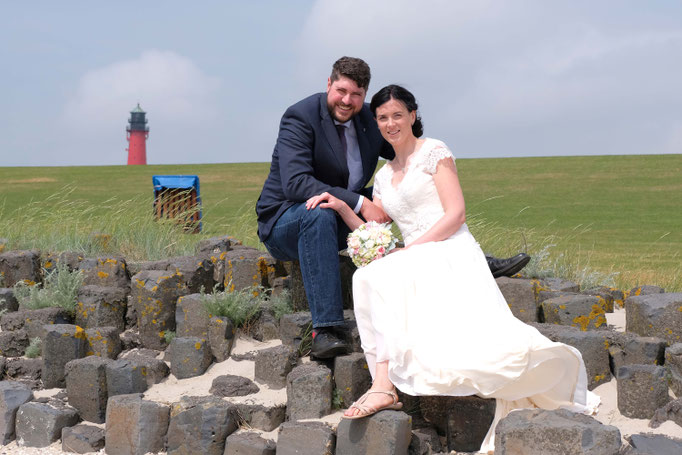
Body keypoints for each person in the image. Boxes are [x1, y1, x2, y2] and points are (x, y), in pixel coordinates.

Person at [306, 85, 599, 453]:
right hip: (415, 253)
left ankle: (383, 386)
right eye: (382, 118)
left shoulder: (434, 151)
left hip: (449, 246)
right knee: (366, 274)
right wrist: (343, 207)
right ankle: (384, 381)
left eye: (397, 115)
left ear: (413, 115)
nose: (390, 123)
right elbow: (377, 229)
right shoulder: (383, 175)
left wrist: (409, 250)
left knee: (380, 273)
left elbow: (456, 213)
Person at [256, 56, 529, 360]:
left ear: (365, 95)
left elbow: (404, 150)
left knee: (409, 186)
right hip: (287, 220)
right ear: (329, 84)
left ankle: (465, 257)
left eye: (356, 95)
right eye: (341, 91)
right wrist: (360, 203)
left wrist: (431, 158)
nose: (347, 100)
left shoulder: (370, 120)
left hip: (338, 211)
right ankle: (327, 330)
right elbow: (296, 183)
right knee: (319, 211)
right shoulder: (300, 116)